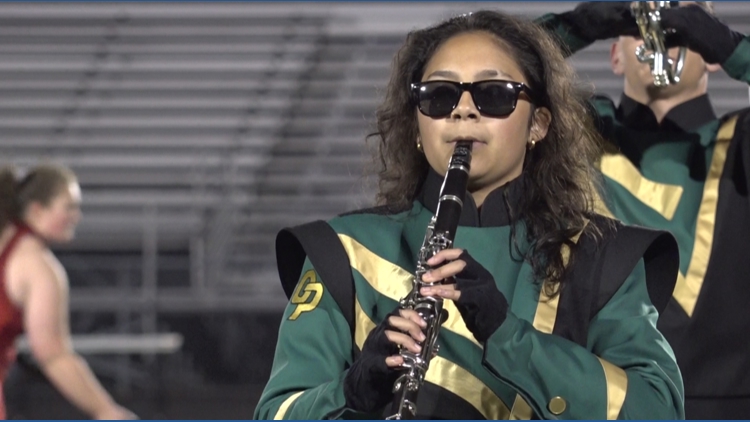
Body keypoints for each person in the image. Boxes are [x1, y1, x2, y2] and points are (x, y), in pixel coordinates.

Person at [537, 2, 750, 419]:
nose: (659, 40)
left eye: (681, 29)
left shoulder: (739, 140)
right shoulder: (575, 133)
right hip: (594, 404)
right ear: (615, 56)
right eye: (639, 30)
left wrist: (731, 46)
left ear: (711, 58)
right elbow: (492, 74)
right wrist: (578, 26)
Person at [0, 163, 136, 420]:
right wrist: (105, 410)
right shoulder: (35, 265)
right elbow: (52, 354)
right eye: (69, 207)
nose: (77, 216)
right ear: (37, 210)